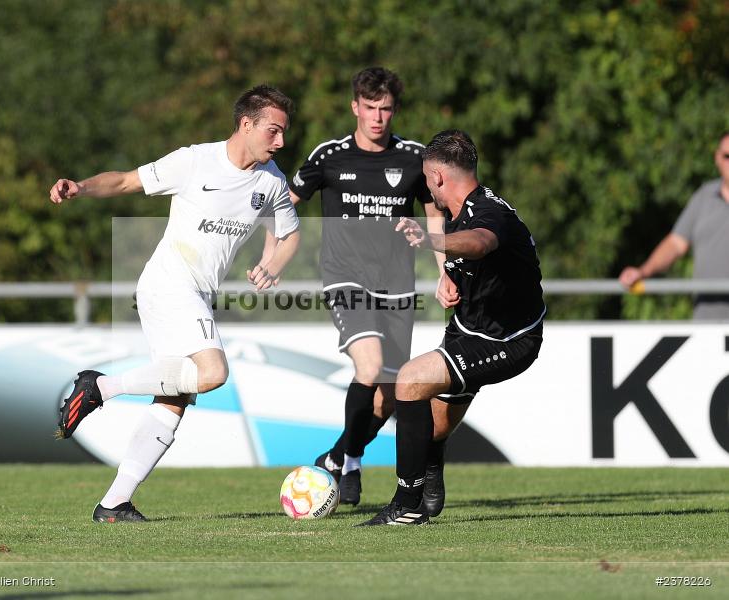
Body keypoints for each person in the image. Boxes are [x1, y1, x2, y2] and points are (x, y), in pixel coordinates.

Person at [48, 85, 300, 523]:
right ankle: (100, 387)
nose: (280, 142)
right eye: (273, 131)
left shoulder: (272, 180)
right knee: (214, 372)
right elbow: (127, 180)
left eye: (283, 133)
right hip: (169, 283)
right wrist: (80, 187)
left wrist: (273, 261)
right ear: (246, 124)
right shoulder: (195, 160)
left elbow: (289, 233)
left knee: (175, 398)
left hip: (198, 292)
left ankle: (113, 504)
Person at [360, 129, 545, 526]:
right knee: (432, 425)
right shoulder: (459, 212)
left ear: (438, 177)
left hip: (508, 340)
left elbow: (479, 243)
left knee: (408, 381)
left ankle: (406, 507)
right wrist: (449, 276)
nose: (430, 191)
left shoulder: (489, 214)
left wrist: (429, 242)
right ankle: (429, 482)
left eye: (428, 182)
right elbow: (472, 259)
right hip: (468, 328)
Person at [279, 66, 437, 507]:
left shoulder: (413, 157)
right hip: (345, 277)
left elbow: (434, 217)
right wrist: (273, 257)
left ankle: (334, 455)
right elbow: (285, 204)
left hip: (398, 287)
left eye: (386, 109)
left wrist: (445, 272)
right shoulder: (329, 156)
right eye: (369, 108)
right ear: (355, 107)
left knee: (388, 397)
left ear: (394, 111)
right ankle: (350, 465)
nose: (377, 117)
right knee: (367, 369)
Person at [619, 132, 729, 320]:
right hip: (709, 324)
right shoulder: (703, 197)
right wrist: (643, 271)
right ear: (717, 157)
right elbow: (676, 244)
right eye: (727, 156)